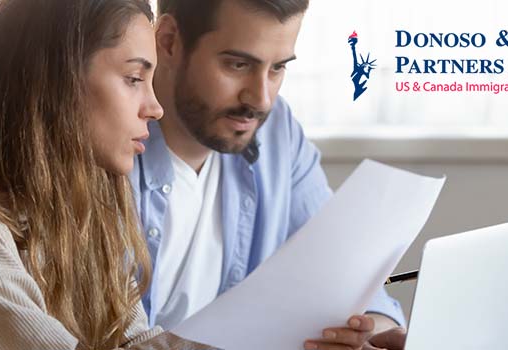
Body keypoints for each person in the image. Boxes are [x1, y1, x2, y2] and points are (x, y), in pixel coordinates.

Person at [0, 0, 336, 349]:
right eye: (134, 78)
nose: (154, 108)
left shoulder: (87, 198)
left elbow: (131, 343)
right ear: (56, 82)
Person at [130, 0, 408, 349]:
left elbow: (351, 280)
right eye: (238, 64)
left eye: (277, 68)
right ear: (168, 41)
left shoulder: (277, 133)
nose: (260, 99)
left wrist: (369, 333)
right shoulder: (104, 147)